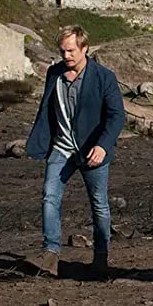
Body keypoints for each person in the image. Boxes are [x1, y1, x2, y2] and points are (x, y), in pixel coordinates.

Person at [22, 26, 126, 280]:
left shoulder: (104, 77)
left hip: (92, 150)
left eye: (71, 50)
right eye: (62, 51)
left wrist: (103, 145)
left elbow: (117, 116)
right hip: (61, 148)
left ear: (84, 48)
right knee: (49, 196)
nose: (66, 55)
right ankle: (50, 255)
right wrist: (40, 141)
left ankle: (101, 258)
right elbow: (47, 109)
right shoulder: (54, 74)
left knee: (99, 204)